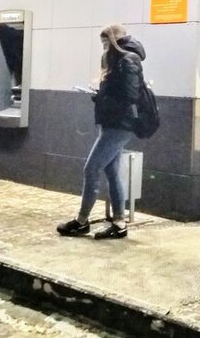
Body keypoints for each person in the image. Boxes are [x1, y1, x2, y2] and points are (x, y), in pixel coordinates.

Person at [57, 23, 145, 240]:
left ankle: (81, 222)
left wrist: (103, 98)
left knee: (91, 168)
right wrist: (101, 96)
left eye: (105, 42)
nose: (104, 47)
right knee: (112, 173)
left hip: (119, 125)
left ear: (114, 40)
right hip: (113, 123)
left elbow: (130, 96)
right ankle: (119, 223)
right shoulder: (120, 59)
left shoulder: (128, 59)